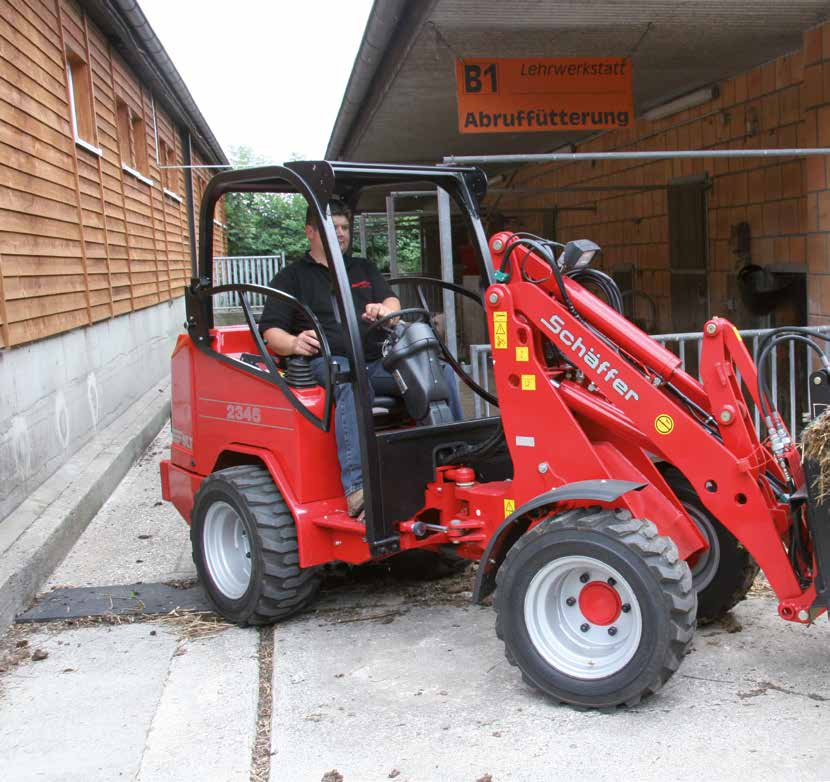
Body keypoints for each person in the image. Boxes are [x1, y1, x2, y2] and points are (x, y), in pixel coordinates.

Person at [259, 200, 462, 518]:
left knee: (438, 372)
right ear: (310, 232)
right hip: (329, 362)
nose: (340, 234)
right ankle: (357, 487)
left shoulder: (362, 268)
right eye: (332, 227)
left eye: (343, 228)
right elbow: (270, 331)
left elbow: (391, 299)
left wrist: (386, 310)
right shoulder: (292, 277)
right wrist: (295, 342)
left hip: (374, 360)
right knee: (352, 379)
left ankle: (452, 461)